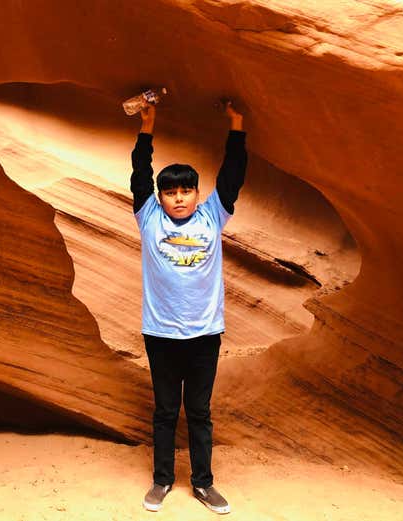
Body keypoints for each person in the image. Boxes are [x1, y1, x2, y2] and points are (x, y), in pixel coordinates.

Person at [130, 98, 247, 514]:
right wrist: (148, 125)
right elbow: (140, 174)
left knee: (198, 411)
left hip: (204, 334)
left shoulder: (213, 216)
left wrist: (236, 125)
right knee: (165, 411)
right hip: (160, 334)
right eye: (171, 192)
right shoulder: (148, 216)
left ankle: (203, 483)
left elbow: (232, 176)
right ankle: (162, 481)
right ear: (160, 197)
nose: (178, 198)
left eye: (186, 191)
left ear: (198, 194)